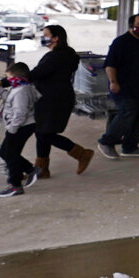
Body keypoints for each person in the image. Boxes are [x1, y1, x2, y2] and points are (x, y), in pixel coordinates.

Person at [27, 24, 94, 176]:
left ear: (56, 38)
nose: (42, 38)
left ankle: (82, 153)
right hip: (52, 99)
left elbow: (36, 73)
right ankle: (42, 169)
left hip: (55, 100)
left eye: (46, 35)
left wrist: (10, 80)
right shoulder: (65, 53)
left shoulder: (56, 56)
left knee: (45, 133)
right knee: (41, 132)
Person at [97, 13, 139, 159]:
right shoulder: (121, 42)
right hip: (124, 88)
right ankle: (106, 142)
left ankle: (129, 147)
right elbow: (110, 65)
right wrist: (113, 82)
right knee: (127, 115)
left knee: (138, 118)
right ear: (131, 25)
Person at [0, 62, 41, 198]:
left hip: (21, 126)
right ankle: (30, 169)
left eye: (9, 77)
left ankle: (15, 185)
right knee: (5, 152)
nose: (7, 80)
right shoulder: (19, 87)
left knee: (10, 154)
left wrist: (13, 129)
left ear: (17, 76)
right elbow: (9, 99)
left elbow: (20, 112)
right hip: (20, 125)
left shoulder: (22, 91)